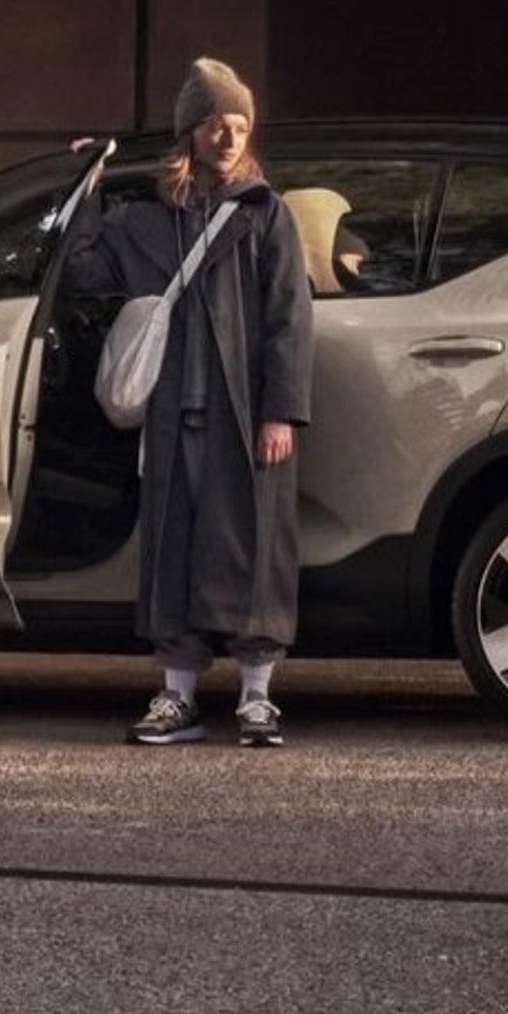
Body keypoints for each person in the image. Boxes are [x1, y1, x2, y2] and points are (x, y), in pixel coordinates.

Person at [65, 59, 315, 747]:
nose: (229, 137)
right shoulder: (148, 221)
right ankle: (177, 697)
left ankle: (257, 696)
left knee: (255, 551)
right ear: (191, 132)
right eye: (215, 123)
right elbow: (85, 268)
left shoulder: (266, 215)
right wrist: (87, 184)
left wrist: (281, 411)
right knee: (173, 549)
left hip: (247, 418)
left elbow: (288, 320)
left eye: (238, 125)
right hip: (174, 415)